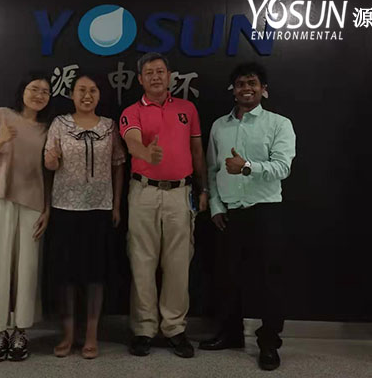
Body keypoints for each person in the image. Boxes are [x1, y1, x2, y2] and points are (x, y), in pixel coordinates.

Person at [199, 61, 296, 371]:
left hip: (266, 211)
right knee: (227, 277)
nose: (246, 88)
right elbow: (212, 169)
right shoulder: (219, 126)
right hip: (230, 213)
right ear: (234, 90)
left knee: (270, 281)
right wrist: (216, 206)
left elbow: (283, 167)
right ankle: (230, 334)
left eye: (252, 83)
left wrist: (247, 167)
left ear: (263, 89)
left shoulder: (279, 124)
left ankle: (269, 342)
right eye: (241, 84)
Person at [119, 52, 208, 359]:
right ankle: (144, 329)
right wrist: (146, 153)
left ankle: (174, 328)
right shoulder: (131, 111)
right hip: (143, 192)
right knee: (141, 260)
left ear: (169, 76)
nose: (155, 76)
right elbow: (131, 141)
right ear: (140, 79)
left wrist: (203, 188)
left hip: (180, 193)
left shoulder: (187, 109)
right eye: (149, 72)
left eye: (160, 71)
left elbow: (197, 150)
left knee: (178, 263)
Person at [43, 73, 125, 360]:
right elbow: (48, 163)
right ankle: (67, 334)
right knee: (65, 276)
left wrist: (116, 205)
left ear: (100, 95)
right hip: (64, 208)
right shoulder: (59, 124)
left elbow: (118, 165)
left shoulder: (109, 126)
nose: (87, 95)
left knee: (95, 276)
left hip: (99, 209)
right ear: (71, 94)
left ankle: (91, 335)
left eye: (93, 90)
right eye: (81, 90)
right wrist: (51, 161)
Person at [0, 72, 54, 362]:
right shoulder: (1, 115)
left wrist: (47, 209)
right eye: (35, 89)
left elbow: (48, 173)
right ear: (23, 90)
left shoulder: (47, 128)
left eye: (45, 92)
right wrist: (2, 140)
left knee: (27, 267)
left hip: (33, 202)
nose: (39, 95)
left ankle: (21, 331)